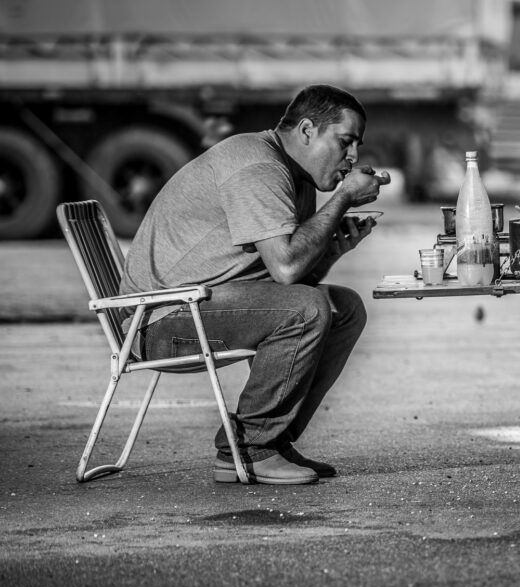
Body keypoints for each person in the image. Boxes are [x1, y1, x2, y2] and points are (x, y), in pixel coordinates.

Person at [119, 84, 390, 485]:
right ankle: (248, 448)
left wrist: (333, 251)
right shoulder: (258, 166)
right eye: (345, 142)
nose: (352, 157)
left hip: (199, 306)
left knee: (343, 309)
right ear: (307, 130)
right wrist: (343, 200)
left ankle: (274, 440)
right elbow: (285, 271)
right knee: (309, 308)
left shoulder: (295, 177)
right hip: (157, 323)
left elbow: (290, 280)